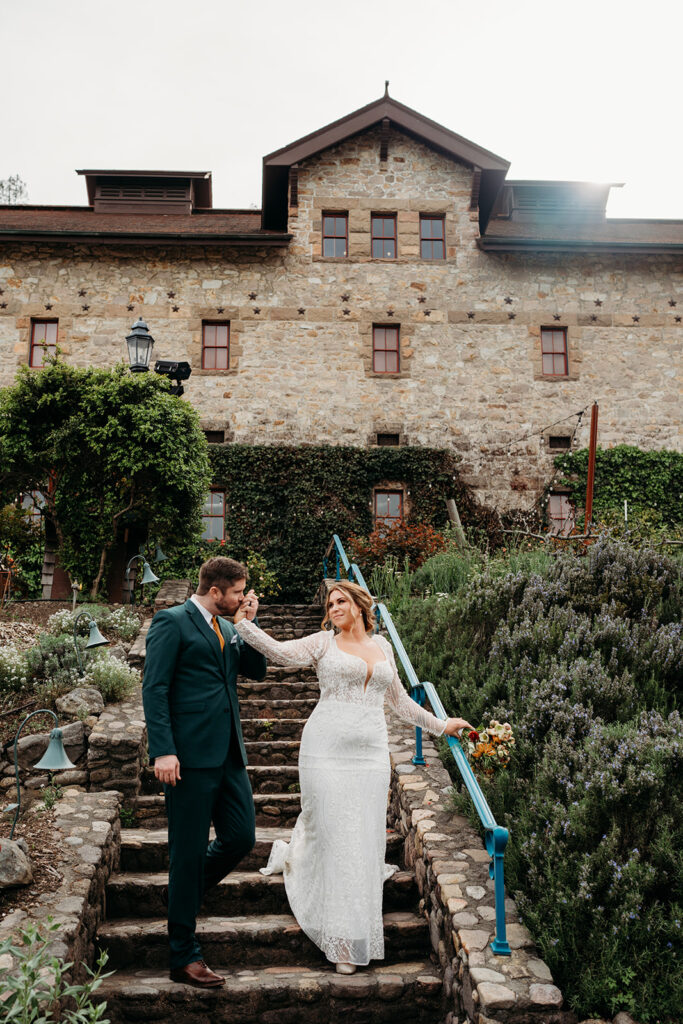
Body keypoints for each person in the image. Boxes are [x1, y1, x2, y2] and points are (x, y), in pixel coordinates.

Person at [234, 579, 471, 974]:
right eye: (331, 603)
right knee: (333, 835)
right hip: (324, 750)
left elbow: (399, 701)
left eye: (341, 600)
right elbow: (279, 653)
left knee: (361, 839)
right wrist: (245, 625)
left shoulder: (383, 648)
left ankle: (355, 930)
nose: (335, 607)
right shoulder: (323, 643)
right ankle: (341, 942)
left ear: (361, 605)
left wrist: (441, 726)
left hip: (370, 756)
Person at [142, 556, 267, 988]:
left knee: (242, 836)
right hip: (188, 758)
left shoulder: (231, 628)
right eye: (236, 593)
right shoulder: (171, 621)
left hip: (229, 752)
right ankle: (184, 957)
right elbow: (154, 687)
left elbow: (256, 670)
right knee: (188, 851)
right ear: (215, 591)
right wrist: (163, 750)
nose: (240, 598)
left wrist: (248, 624)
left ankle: (184, 891)